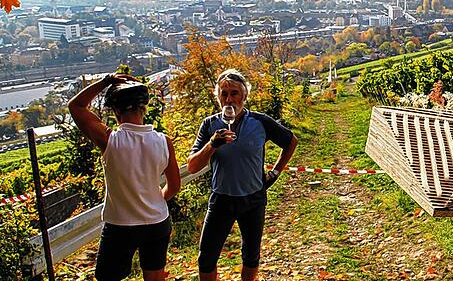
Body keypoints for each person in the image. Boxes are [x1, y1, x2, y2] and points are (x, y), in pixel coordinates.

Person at [188, 68, 298, 281]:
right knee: (206, 258)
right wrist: (212, 144)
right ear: (218, 97)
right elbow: (192, 166)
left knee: (251, 257)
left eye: (234, 93)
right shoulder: (210, 125)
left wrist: (275, 172)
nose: (229, 99)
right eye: (224, 94)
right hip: (221, 200)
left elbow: (290, 142)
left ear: (245, 95)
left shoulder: (260, 122)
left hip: (253, 199)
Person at [68, 74, 180, 281]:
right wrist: (154, 200)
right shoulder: (164, 141)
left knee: (107, 277)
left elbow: (76, 106)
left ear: (115, 112)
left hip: (120, 225)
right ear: (143, 109)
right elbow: (173, 186)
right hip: (157, 221)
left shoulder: (110, 140)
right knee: (155, 277)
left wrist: (105, 81)